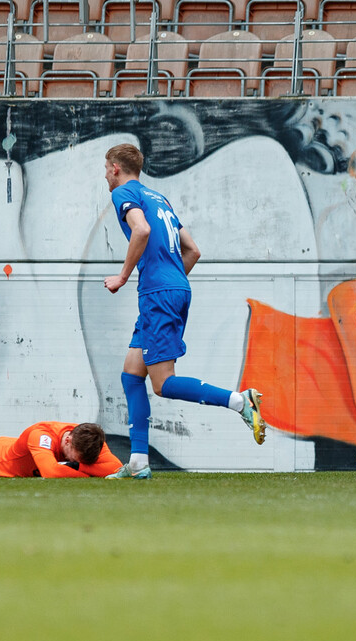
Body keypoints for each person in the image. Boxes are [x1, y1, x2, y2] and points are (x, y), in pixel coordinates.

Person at [101, 143, 265, 480]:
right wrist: (171, 282)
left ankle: (240, 401)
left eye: (105, 169)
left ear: (115, 168)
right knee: (132, 374)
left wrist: (123, 276)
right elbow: (193, 250)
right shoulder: (159, 198)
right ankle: (138, 461)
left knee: (163, 384)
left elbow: (141, 230)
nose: (105, 175)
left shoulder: (123, 194)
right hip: (169, 288)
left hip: (158, 293)